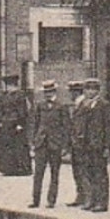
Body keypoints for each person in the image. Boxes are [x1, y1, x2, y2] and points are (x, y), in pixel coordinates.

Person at [28, 80, 72, 209]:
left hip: (55, 144)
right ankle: (35, 200)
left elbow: (66, 127)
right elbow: (34, 125)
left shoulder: (61, 107)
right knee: (38, 173)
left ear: (54, 92)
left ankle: (51, 200)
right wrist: (33, 141)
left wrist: (64, 146)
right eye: (46, 92)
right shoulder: (39, 106)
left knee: (54, 173)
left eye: (50, 92)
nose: (48, 95)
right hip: (41, 144)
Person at [71, 77, 110, 211]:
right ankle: (91, 200)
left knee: (100, 174)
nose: (90, 92)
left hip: (98, 144)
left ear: (98, 91)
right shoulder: (82, 104)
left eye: (93, 89)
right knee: (88, 173)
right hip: (85, 145)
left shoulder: (103, 105)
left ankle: (102, 202)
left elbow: (108, 127)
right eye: (87, 89)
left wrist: (107, 146)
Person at [0, 74, 32, 176]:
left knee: (19, 146)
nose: (9, 87)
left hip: (16, 123)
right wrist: (1, 121)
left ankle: (21, 168)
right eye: (8, 85)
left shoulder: (20, 95)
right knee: (7, 146)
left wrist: (20, 123)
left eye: (11, 85)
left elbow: (23, 110)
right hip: (6, 123)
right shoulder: (5, 96)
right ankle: (8, 168)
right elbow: (1, 109)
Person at [65, 81, 89, 208]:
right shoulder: (77, 105)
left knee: (83, 171)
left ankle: (87, 198)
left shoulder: (84, 105)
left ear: (76, 92)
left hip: (81, 144)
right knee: (77, 171)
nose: (70, 95)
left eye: (71, 92)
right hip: (75, 143)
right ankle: (80, 196)